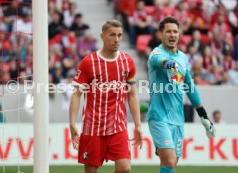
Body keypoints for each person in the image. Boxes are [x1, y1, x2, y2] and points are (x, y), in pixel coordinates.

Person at [69, 20, 143, 173]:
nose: (117, 39)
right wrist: (72, 123)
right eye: (112, 35)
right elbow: (77, 94)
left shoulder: (127, 61)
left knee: (124, 168)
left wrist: (138, 125)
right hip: (93, 128)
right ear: (102, 36)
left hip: (118, 126)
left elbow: (133, 95)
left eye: (120, 35)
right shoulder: (88, 62)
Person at [147, 16, 216, 173]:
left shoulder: (183, 58)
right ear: (161, 34)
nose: (172, 35)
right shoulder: (155, 53)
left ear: (179, 34)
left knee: (170, 166)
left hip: (178, 119)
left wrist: (204, 116)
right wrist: (170, 65)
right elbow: (161, 61)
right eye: (168, 31)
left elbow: (190, 88)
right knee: (169, 161)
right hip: (159, 116)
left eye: (175, 32)